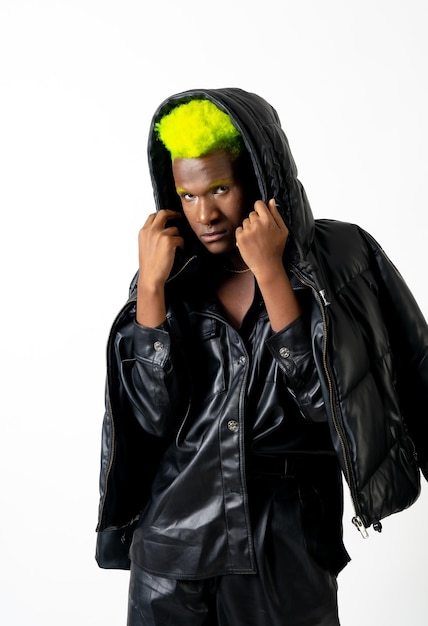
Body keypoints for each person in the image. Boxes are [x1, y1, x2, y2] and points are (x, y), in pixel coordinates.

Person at [96, 88, 428, 625]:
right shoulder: (166, 278)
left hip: (286, 548)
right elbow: (149, 419)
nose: (204, 213)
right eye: (187, 194)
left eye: (220, 188)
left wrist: (273, 275)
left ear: (257, 173)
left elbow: (330, 406)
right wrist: (151, 294)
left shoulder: (341, 258)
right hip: (170, 555)